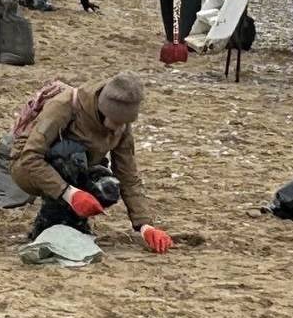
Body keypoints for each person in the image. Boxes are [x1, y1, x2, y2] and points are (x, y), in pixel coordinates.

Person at [9, 73, 174, 254]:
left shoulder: (122, 124)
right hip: (29, 169)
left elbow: (128, 176)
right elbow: (30, 157)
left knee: (108, 187)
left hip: (80, 169)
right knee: (71, 157)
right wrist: (70, 193)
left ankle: (75, 222)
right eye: (116, 122)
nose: (120, 129)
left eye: (125, 124)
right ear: (103, 111)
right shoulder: (64, 106)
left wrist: (145, 226)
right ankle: (47, 224)